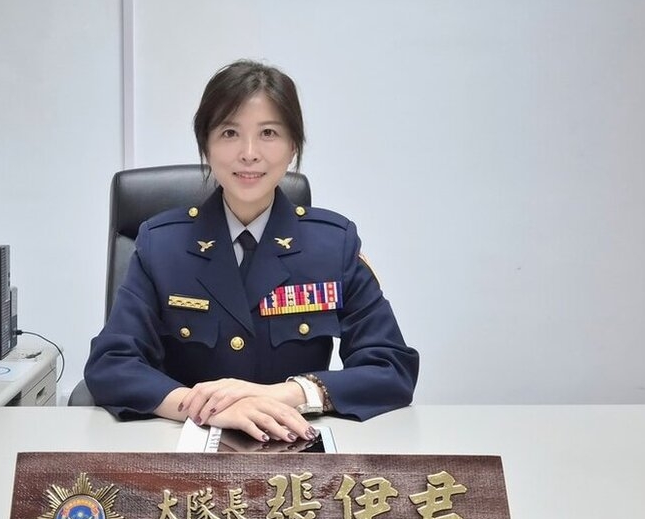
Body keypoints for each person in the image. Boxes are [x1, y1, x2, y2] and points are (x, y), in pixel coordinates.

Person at [84, 60, 418, 442]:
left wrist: (287, 394)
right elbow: (111, 364)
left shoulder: (333, 245)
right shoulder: (162, 245)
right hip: (186, 448)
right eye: (229, 132)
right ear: (206, 146)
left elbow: (391, 367)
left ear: (293, 146)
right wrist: (207, 407)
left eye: (268, 133)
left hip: (294, 448)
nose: (248, 153)